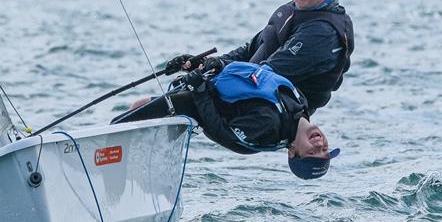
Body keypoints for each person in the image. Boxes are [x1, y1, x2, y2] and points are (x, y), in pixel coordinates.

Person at [166, 0, 354, 115]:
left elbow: (266, 72)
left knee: (171, 103)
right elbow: (250, 50)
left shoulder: (323, 32)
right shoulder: (288, 11)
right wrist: (208, 63)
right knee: (170, 93)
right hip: (247, 92)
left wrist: (212, 76)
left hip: (274, 112)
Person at [112, 61, 339, 180]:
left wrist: (199, 89)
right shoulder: (301, 104)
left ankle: (109, 176)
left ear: (292, 152)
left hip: (195, 100)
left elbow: (220, 130)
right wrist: (213, 63)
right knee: (138, 106)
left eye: (312, 152)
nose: (320, 145)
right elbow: (253, 73)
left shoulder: (269, 126)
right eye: (325, 150)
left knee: (123, 122)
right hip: (206, 80)